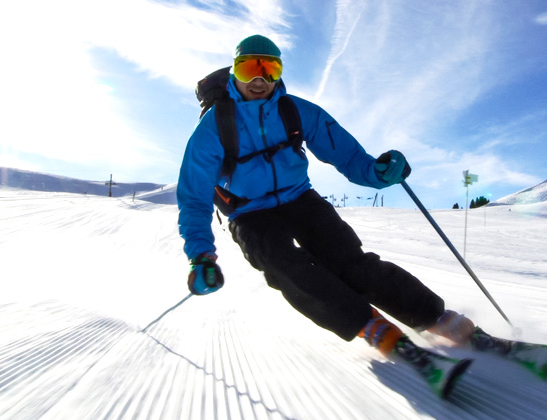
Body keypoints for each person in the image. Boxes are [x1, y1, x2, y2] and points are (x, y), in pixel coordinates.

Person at [176, 34, 475, 359]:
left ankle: (440, 320)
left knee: (350, 261)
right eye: (249, 69)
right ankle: (373, 328)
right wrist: (201, 255)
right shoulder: (213, 127)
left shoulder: (297, 111)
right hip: (249, 212)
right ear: (235, 72)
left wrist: (378, 172)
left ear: (279, 72)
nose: (260, 80)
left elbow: (348, 157)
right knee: (285, 265)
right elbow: (194, 196)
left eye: (270, 69)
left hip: (299, 198)